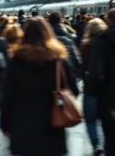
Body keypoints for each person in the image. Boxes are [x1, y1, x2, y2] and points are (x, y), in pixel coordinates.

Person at [1, 17, 79, 156]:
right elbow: (73, 89)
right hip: (53, 122)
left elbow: (8, 96)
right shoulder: (58, 61)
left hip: (22, 121)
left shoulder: (15, 61)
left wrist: (5, 124)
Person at [89, 9, 115, 156]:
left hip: (109, 101)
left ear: (109, 20)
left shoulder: (102, 40)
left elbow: (96, 73)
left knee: (111, 142)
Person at [80, 18, 107, 156]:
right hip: (106, 91)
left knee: (90, 120)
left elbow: (80, 68)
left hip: (89, 89)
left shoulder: (85, 47)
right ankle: (107, 146)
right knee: (105, 121)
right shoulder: (109, 45)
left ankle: (97, 145)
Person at [48, 11, 82, 76]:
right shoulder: (69, 39)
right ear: (61, 21)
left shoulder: (45, 39)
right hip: (65, 77)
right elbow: (77, 61)